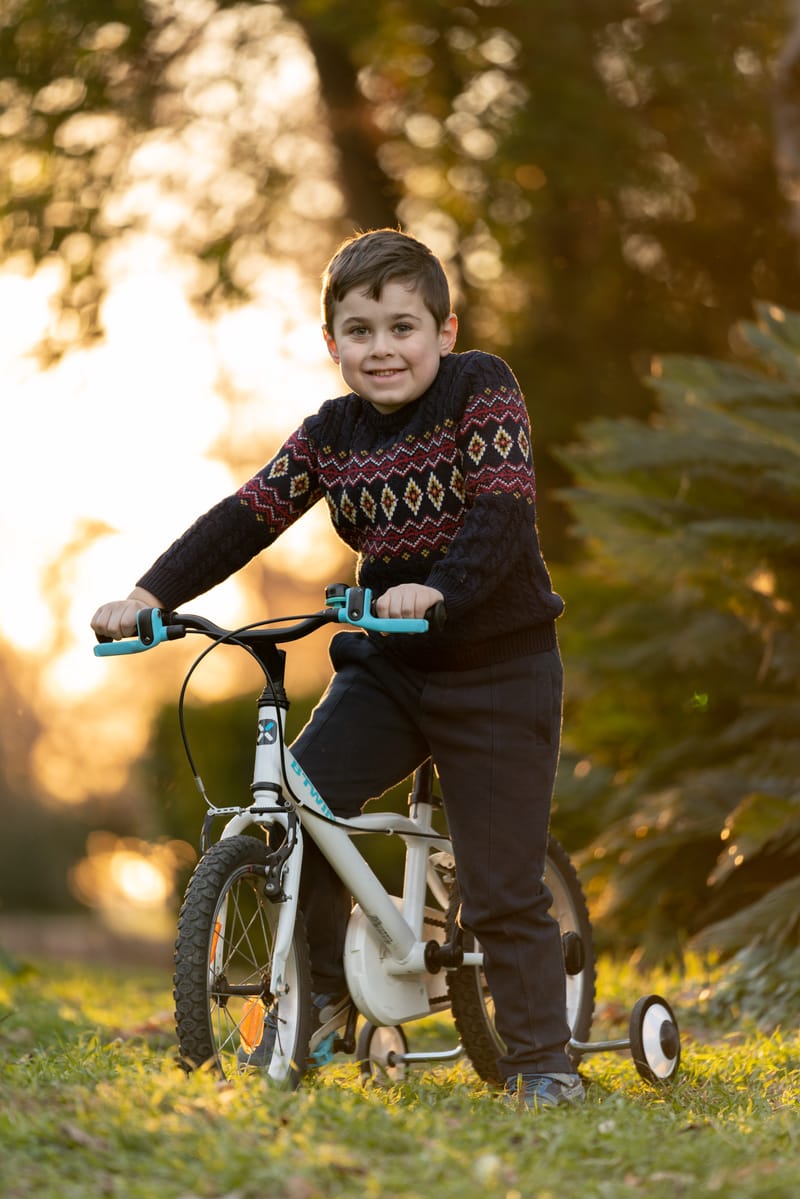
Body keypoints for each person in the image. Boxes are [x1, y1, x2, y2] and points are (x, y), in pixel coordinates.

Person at [91, 228, 584, 1109]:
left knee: (501, 881)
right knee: (303, 808)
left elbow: (503, 516)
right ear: (333, 344)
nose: (383, 347)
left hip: (500, 667)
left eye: (403, 326)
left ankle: (543, 1060)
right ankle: (317, 1006)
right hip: (390, 672)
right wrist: (147, 592)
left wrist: (438, 590)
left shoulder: (485, 388)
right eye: (360, 331)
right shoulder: (332, 434)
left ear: (443, 328)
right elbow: (244, 516)